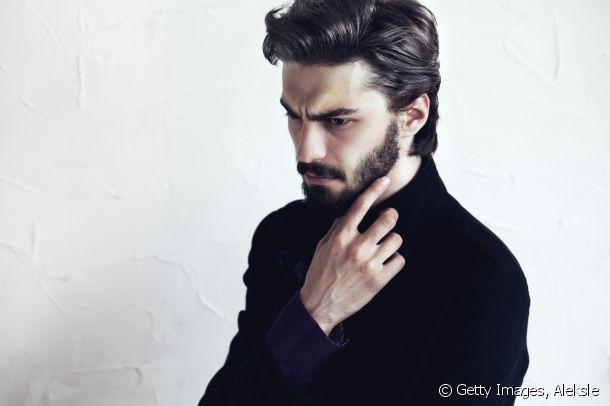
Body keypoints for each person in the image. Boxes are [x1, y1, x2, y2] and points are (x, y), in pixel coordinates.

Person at [199, 0, 530, 404]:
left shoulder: (483, 281)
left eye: (337, 121)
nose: (306, 151)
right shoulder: (278, 235)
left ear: (412, 116)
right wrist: (313, 314)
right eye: (295, 117)